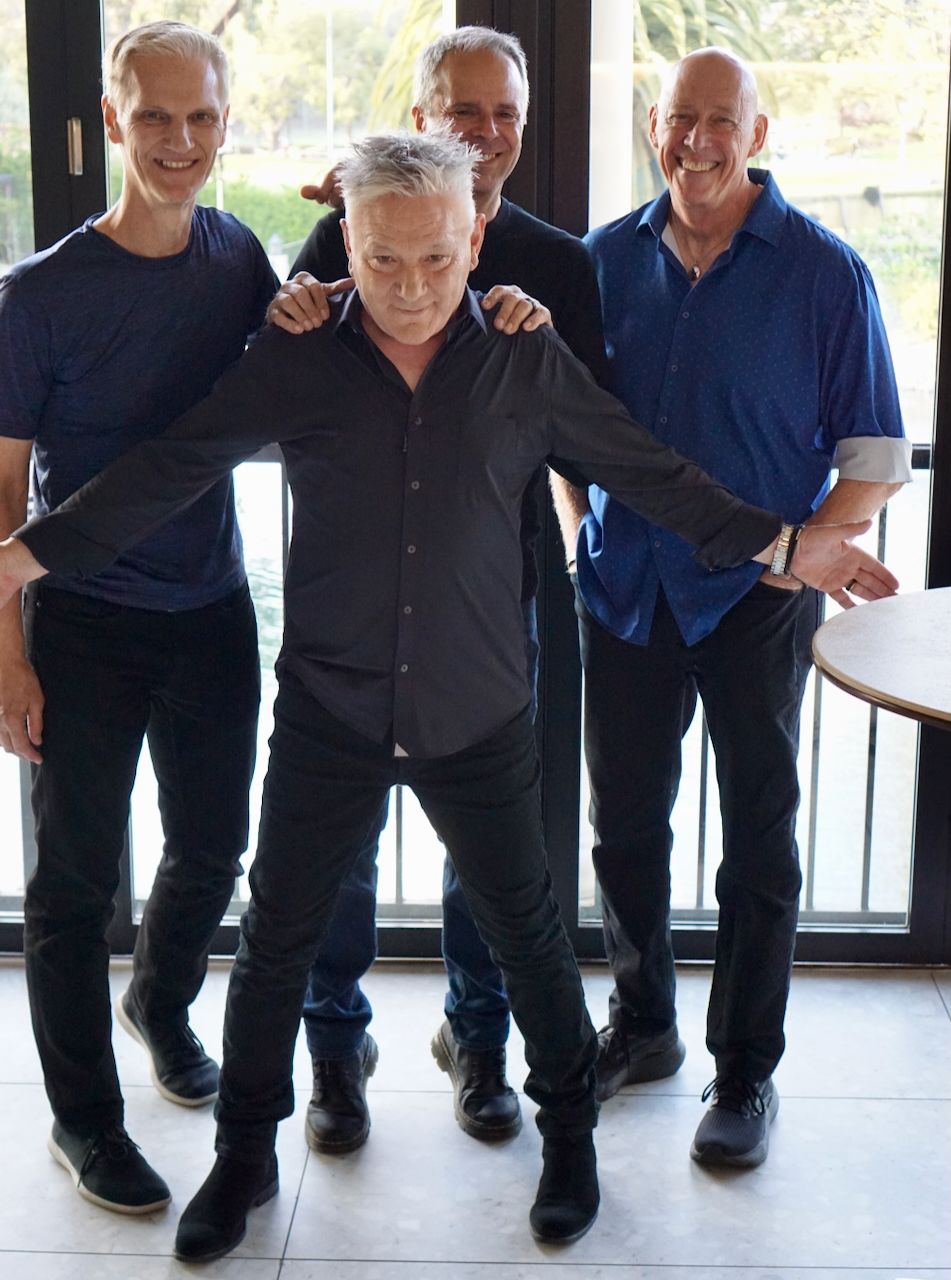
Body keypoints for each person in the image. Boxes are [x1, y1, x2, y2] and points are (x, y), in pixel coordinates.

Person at [0, 131, 895, 1262]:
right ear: (346, 246)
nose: (411, 285)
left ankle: (568, 1143)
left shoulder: (524, 355)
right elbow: (168, 466)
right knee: (273, 944)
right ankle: (242, 1157)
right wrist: (22, 559)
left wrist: (787, 546)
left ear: (476, 241)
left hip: (478, 711)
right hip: (330, 709)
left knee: (530, 939)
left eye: (436, 256)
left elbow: (649, 474)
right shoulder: (299, 353)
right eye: (383, 258)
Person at [550, 46, 911, 1170]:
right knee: (624, 828)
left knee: (758, 837)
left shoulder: (824, 272)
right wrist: (580, 528)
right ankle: (643, 1024)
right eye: (679, 119)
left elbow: (875, 457)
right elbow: (566, 429)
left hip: (757, 598)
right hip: (623, 591)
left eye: (721, 121)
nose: (696, 141)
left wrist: (797, 560)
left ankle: (745, 1067)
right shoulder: (602, 260)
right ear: (653, 127)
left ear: (755, 135)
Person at [268, 25, 608, 1155]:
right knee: (337, 845)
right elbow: (292, 375)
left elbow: (589, 430)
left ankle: (479, 1037)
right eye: (462, 109)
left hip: (495, 592)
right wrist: (289, 305)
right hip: (356, 599)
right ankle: (334, 1043)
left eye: (504, 111)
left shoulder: (560, 262)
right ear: (420, 119)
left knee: (495, 856)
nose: (486, 130)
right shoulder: (340, 228)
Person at [0, 21, 278, 1213]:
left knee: (213, 844)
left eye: (200, 117)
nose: (179, 140)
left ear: (224, 124)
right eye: (154, 116)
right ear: (114, 121)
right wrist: (6, 656)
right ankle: (86, 1121)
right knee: (72, 885)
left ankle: (160, 1001)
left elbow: (305, 359)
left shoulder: (238, 256)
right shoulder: (38, 295)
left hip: (211, 603)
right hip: (82, 621)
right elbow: (0, 494)